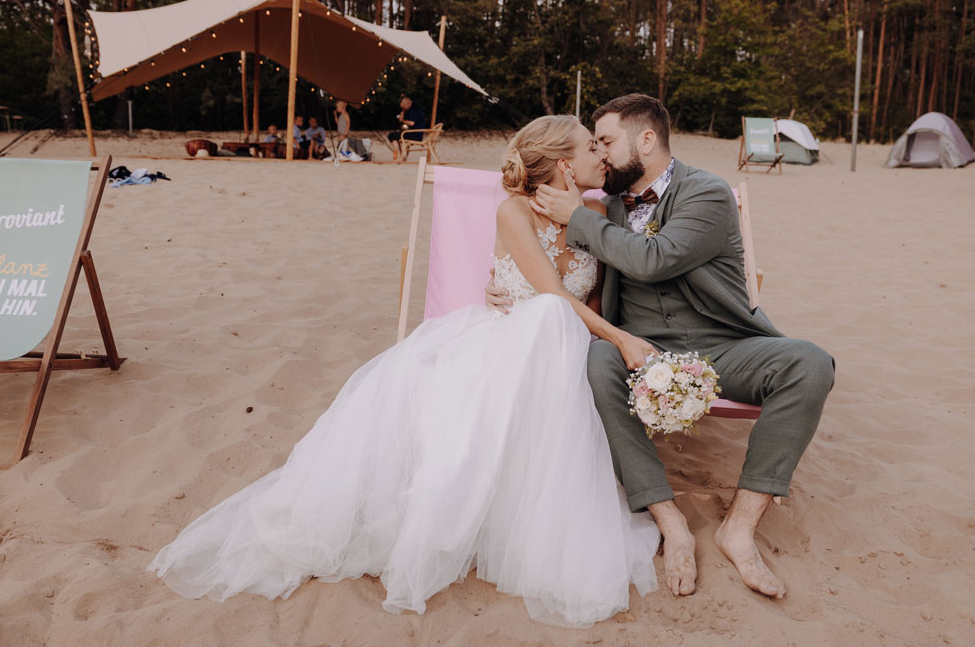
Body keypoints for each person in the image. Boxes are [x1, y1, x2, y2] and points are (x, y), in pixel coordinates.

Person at [148, 115, 661, 627]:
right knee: (546, 315)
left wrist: (611, 339)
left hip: (564, 351)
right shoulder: (514, 212)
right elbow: (550, 294)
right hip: (507, 346)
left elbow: (590, 301)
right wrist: (622, 339)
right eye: (592, 148)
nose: (602, 156)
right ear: (566, 164)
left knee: (553, 322)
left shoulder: (595, 212)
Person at [488, 94, 834, 600]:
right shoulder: (599, 201)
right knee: (597, 356)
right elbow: (555, 278)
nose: (601, 155)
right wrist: (501, 288)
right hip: (640, 352)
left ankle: (739, 526)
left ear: (645, 140)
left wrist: (582, 221)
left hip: (721, 347)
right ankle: (667, 516)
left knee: (810, 363)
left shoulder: (707, 194)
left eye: (606, 142)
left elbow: (654, 258)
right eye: (595, 146)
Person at [388, 95, 427, 160]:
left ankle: (396, 152)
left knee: (391, 135)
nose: (404, 109)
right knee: (397, 135)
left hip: (415, 134)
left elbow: (412, 123)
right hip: (413, 133)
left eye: (404, 107)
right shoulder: (413, 108)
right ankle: (400, 154)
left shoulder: (415, 109)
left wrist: (402, 120)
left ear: (407, 103)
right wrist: (403, 113)